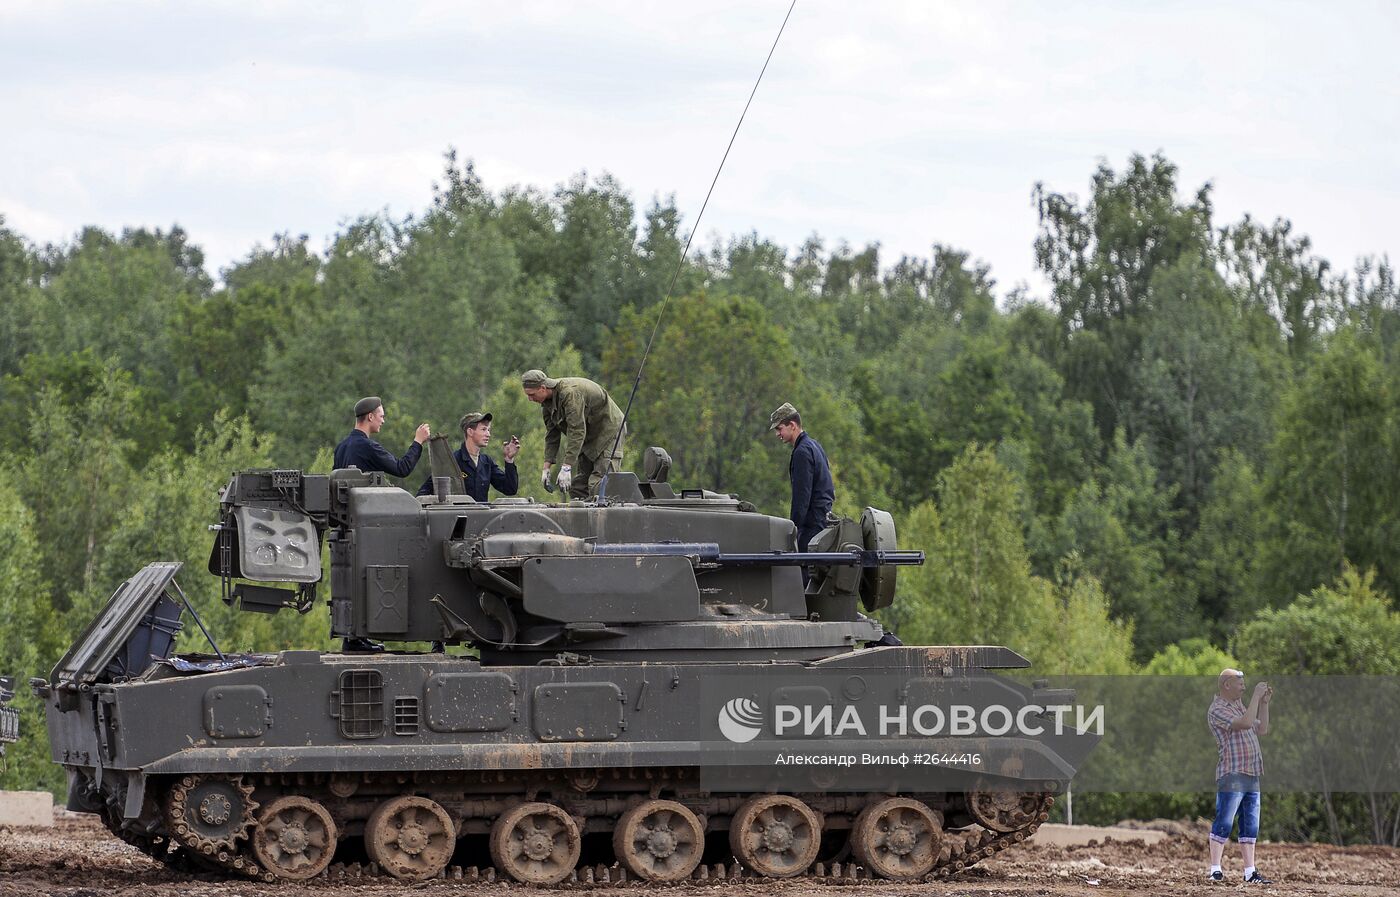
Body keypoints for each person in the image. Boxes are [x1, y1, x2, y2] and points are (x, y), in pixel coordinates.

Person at [1207, 668, 1273, 884]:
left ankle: (1249, 872)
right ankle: (1215, 869)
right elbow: (1244, 723)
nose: (1244, 686)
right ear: (1227, 685)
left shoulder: (1238, 705)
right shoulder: (1217, 709)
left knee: (1250, 824)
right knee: (1224, 820)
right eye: (1240, 682)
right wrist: (1255, 696)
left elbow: (1261, 729)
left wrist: (1263, 704)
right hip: (1232, 773)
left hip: (1252, 772)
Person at [521, 369, 625, 500]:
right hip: (589, 437)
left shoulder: (569, 394)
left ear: (543, 388)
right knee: (578, 488)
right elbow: (552, 435)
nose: (530, 399)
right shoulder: (547, 403)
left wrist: (566, 467)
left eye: (532, 394)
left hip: (609, 431)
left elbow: (577, 430)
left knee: (600, 486)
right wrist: (546, 468)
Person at [769, 402, 835, 552]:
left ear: (792, 425)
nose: (777, 434)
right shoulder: (814, 446)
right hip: (823, 523)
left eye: (779, 429)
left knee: (803, 572)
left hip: (811, 528)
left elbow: (801, 497)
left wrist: (793, 529)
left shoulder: (802, 452)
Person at [417, 412, 521, 501]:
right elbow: (423, 493)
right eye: (484, 429)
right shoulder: (452, 462)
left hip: (482, 521)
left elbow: (510, 489)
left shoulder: (486, 462)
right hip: (458, 522)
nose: (488, 434)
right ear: (470, 431)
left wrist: (509, 460)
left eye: (488, 430)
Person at [333, 396, 431, 478]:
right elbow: (402, 468)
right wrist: (418, 441)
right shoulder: (368, 447)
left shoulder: (340, 447)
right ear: (370, 417)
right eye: (381, 416)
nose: (383, 421)